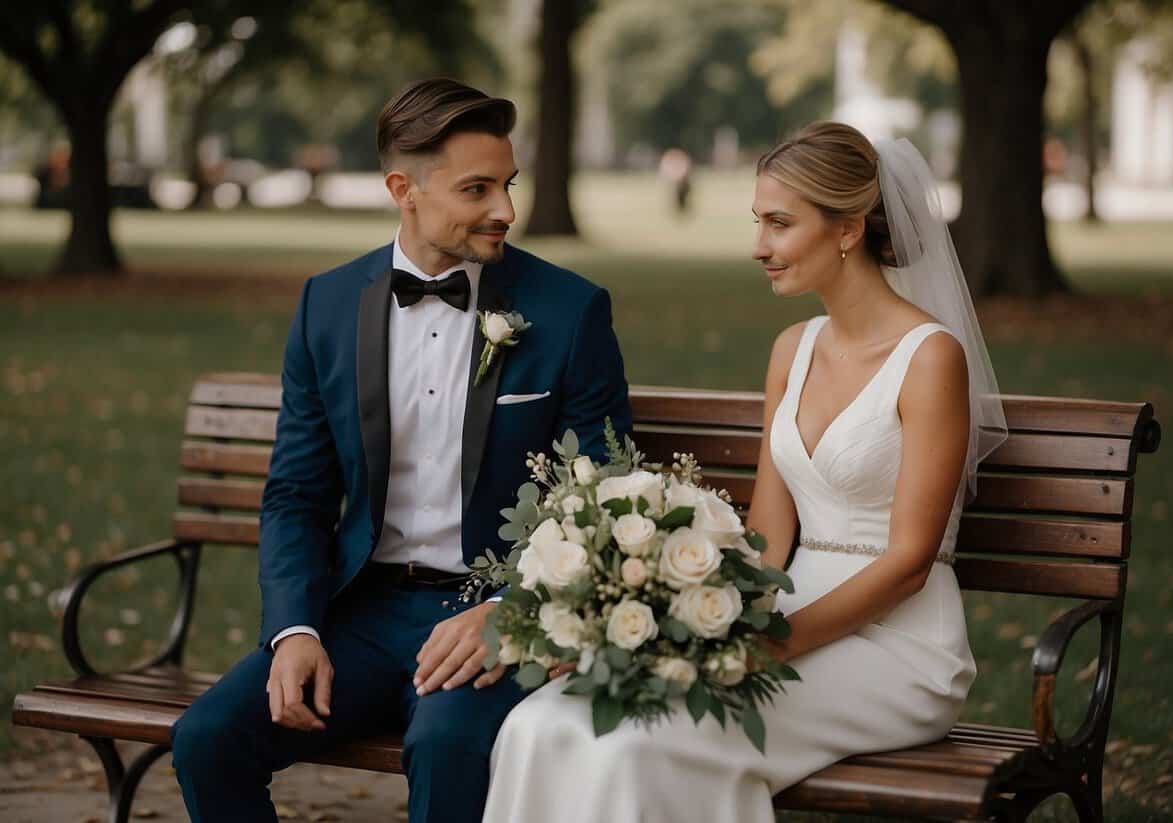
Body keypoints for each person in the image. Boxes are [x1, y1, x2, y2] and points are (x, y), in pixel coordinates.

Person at [482, 121, 1007, 822]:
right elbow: (765, 531)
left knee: (636, 741)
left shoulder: (930, 357)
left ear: (847, 229)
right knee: (543, 721)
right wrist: (682, 610)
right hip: (774, 617)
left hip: (898, 647)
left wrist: (767, 646)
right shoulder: (793, 347)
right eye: (758, 221)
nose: (758, 245)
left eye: (780, 223)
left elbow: (911, 561)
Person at [169, 78, 632, 823]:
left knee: (447, 745)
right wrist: (294, 628)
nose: (506, 210)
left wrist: (515, 609)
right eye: (477, 188)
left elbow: (607, 498)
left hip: (494, 610)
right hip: (364, 613)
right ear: (402, 189)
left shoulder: (570, 310)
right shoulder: (327, 303)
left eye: (508, 185)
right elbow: (297, 492)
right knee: (206, 737)